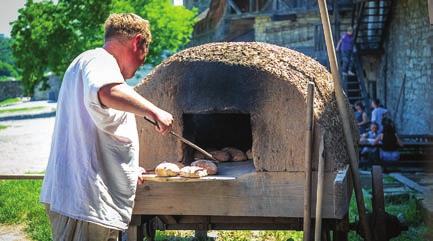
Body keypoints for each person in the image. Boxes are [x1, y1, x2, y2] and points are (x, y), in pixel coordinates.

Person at [40, 13, 173, 240]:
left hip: (83, 200)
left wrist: (127, 171)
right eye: (145, 53)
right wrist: (155, 111)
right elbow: (105, 92)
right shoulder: (99, 60)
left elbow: (99, 133)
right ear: (137, 42)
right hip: (85, 204)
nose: (143, 60)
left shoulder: (92, 64)